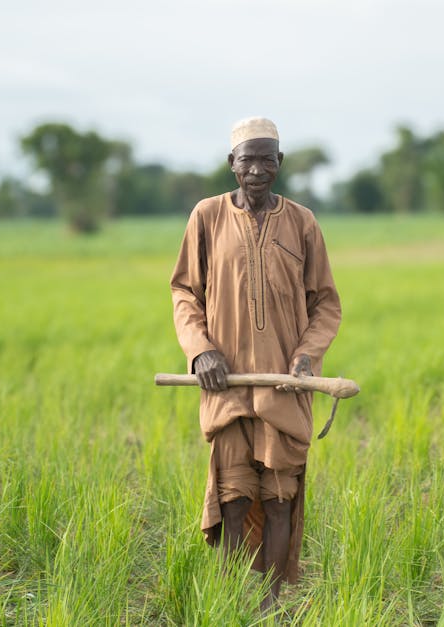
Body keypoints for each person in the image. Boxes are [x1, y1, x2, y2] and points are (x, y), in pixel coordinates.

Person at [170, 117, 342, 611]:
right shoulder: (206, 217)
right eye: (249, 159)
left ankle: (272, 605)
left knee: (280, 497)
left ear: (280, 163)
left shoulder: (303, 222)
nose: (258, 169)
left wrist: (306, 358)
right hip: (225, 385)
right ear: (232, 165)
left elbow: (326, 302)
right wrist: (200, 349)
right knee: (233, 497)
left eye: (268, 159)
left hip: (285, 387)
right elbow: (185, 290)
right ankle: (226, 602)